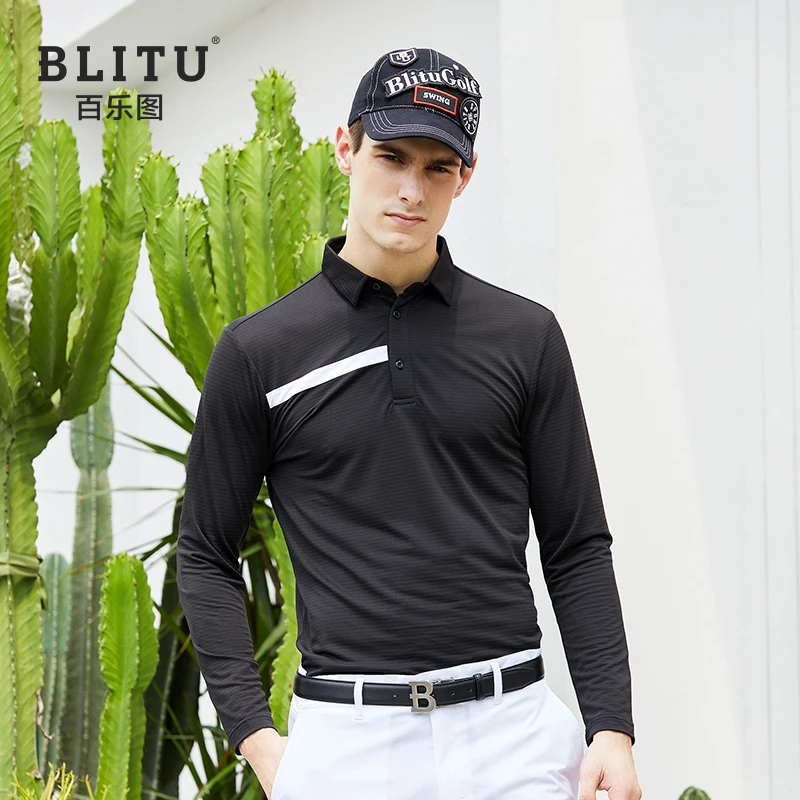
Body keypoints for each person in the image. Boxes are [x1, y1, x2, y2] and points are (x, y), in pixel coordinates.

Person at [176, 46, 643, 800]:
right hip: (347, 744)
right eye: (391, 157)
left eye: (437, 168)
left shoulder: (525, 336)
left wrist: (610, 728)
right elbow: (204, 553)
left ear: (466, 175)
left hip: (515, 736)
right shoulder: (259, 351)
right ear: (345, 147)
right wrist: (260, 744)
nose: (411, 189)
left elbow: (577, 543)